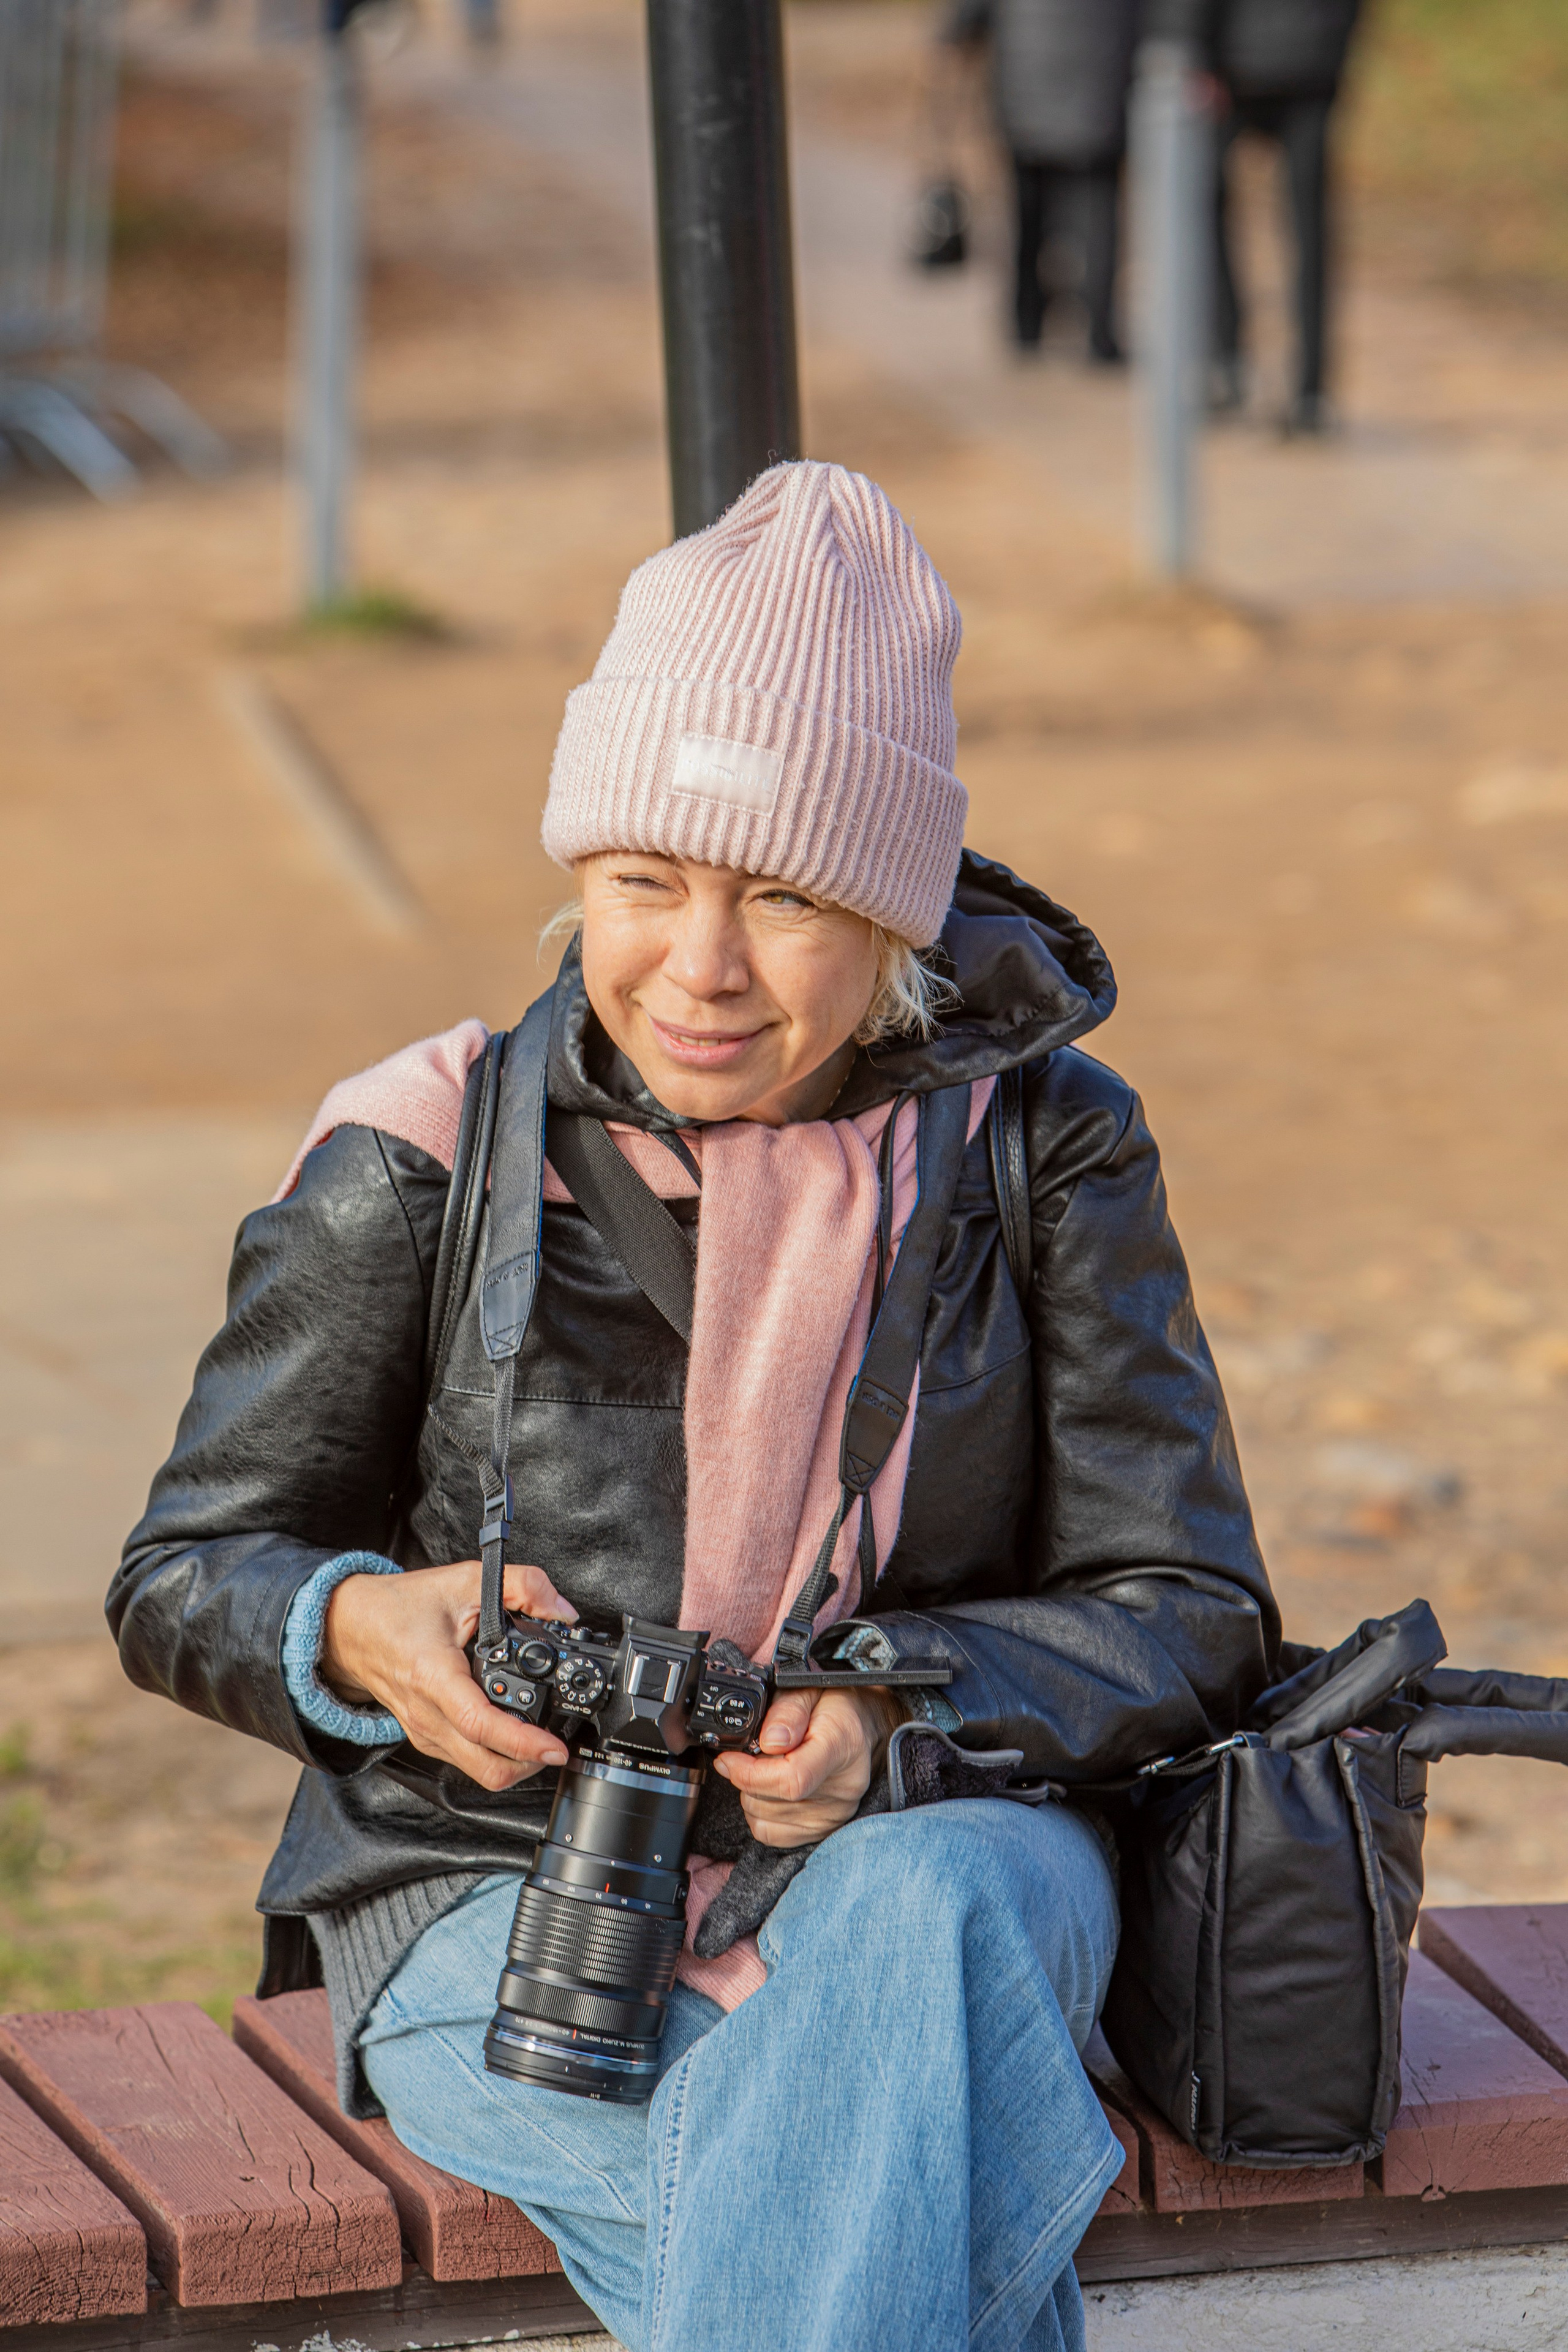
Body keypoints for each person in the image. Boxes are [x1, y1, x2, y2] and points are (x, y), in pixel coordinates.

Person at [112, 461, 1278, 2352]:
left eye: (788, 897)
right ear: (578, 873)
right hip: (490, 1890)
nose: (698, 966)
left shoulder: (1045, 1152)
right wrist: (349, 1626)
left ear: (896, 915)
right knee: (884, 2165)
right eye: (642, 882)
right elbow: (188, 1568)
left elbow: (1191, 1605)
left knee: (927, 1915)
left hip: (938, 1853)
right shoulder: (422, 1153)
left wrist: (895, 1717)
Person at [940, 0, 1140, 362]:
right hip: (1099, 86)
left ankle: (1025, 326)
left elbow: (967, 17)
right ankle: (1100, 334)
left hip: (1024, 91)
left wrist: (958, 34)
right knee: (1098, 220)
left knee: (1027, 218)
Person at [1199, 0, 1366, 432]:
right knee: (1310, 229)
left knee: (1209, 211)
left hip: (1236, 62)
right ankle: (1310, 389)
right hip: (1309, 60)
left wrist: (1195, 53)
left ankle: (1230, 361)